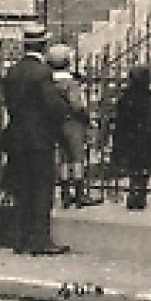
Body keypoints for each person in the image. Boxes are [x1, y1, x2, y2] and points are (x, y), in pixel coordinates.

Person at [0, 23, 70, 255]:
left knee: (23, 189)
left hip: (17, 136)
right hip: (39, 138)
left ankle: (21, 239)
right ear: (43, 45)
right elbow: (53, 106)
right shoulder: (42, 73)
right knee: (41, 189)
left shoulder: (14, 71)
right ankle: (40, 240)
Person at [109, 65, 151, 211]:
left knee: (135, 168)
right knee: (143, 169)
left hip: (130, 139)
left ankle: (135, 192)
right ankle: (139, 193)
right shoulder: (148, 99)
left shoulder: (125, 99)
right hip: (145, 139)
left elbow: (120, 121)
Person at [47, 44, 101, 209]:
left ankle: (65, 193)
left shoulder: (49, 81)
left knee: (63, 158)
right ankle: (79, 194)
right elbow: (77, 104)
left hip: (56, 122)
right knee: (77, 158)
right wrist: (87, 119)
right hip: (73, 122)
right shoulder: (70, 83)